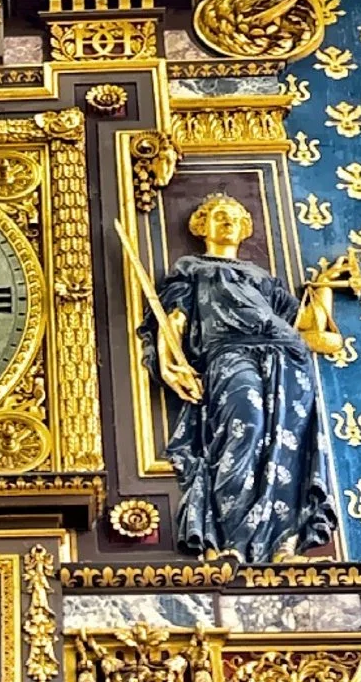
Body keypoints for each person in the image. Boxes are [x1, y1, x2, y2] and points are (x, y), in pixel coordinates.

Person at [143, 194, 340, 565]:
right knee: (243, 429)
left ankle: (282, 547)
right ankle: (232, 540)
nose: (227, 221)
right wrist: (170, 365)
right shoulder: (192, 269)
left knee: (286, 448)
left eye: (234, 216)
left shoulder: (263, 279)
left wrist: (324, 289)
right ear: (202, 226)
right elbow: (174, 322)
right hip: (230, 354)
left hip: (287, 358)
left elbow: (308, 328)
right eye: (218, 215)